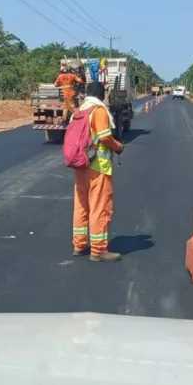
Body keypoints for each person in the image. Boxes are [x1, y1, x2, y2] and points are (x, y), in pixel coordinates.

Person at [72, 81, 123, 261]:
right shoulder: (98, 111)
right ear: (102, 95)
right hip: (97, 166)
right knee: (99, 207)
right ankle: (99, 250)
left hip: (79, 166)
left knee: (81, 206)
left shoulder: (79, 112)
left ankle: (79, 244)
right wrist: (118, 147)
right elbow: (104, 137)